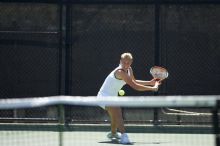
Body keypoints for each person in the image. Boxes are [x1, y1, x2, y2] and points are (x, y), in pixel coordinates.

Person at [97, 52, 160, 144]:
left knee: (114, 117)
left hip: (112, 97)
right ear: (120, 61)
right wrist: (152, 88)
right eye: (124, 62)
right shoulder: (120, 72)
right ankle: (124, 136)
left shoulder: (129, 69)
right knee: (117, 112)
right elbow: (135, 86)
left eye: (128, 62)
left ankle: (113, 133)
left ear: (131, 62)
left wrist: (149, 82)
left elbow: (133, 81)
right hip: (103, 97)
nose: (126, 64)